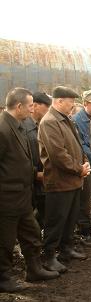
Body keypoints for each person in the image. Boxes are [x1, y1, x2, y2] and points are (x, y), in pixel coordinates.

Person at [0, 88, 59, 293]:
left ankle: (34, 269)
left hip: (22, 195)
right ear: (19, 107)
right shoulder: (2, 128)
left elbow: (19, 159)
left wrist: (35, 174)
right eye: (30, 105)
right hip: (7, 197)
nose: (32, 108)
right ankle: (3, 278)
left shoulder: (18, 125)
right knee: (5, 240)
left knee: (32, 233)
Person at [38, 86, 90, 273]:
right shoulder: (50, 122)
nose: (73, 106)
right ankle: (48, 256)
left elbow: (77, 145)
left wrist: (84, 163)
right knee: (56, 221)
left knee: (70, 218)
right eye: (71, 102)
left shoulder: (65, 120)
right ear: (59, 101)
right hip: (59, 182)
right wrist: (79, 169)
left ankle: (66, 249)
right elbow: (57, 154)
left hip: (73, 180)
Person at [73, 89, 91, 247]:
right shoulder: (77, 120)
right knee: (85, 200)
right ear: (86, 104)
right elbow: (81, 145)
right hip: (89, 165)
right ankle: (84, 232)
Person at [23, 92, 52, 229]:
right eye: (46, 106)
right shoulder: (24, 128)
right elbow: (21, 158)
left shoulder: (41, 125)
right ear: (35, 106)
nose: (48, 110)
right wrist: (35, 173)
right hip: (31, 182)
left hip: (42, 180)